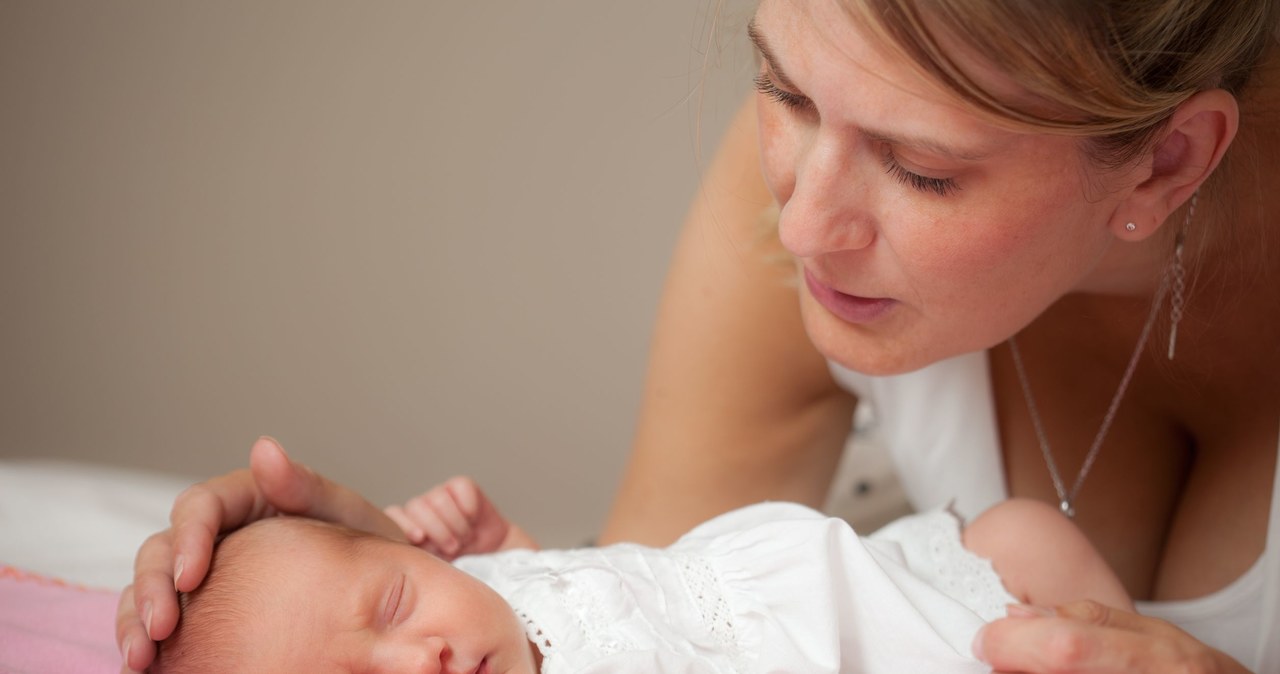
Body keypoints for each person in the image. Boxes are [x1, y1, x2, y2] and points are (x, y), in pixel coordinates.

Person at [119, 2, 1280, 672]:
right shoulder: (824, 158)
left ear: (1169, 158)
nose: (797, 223)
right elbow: (670, 591)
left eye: (920, 170)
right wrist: (436, 585)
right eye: (781, 91)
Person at [149, 448, 1130, 674]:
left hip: (860, 573)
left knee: (1022, 532)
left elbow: (599, 593)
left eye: (397, 600)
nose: (420, 660)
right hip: (867, 655)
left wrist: (507, 550)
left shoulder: (479, 593)